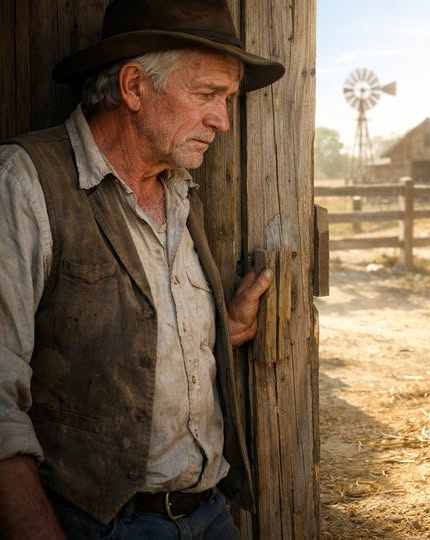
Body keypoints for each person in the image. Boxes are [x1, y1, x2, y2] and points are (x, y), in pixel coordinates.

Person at [0, 1, 286, 538]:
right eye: (207, 95)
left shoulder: (177, 190)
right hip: (96, 523)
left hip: (210, 513)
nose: (223, 120)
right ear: (133, 87)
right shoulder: (24, 183)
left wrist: (219, 330)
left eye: (226, 99)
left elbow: (120, 338)